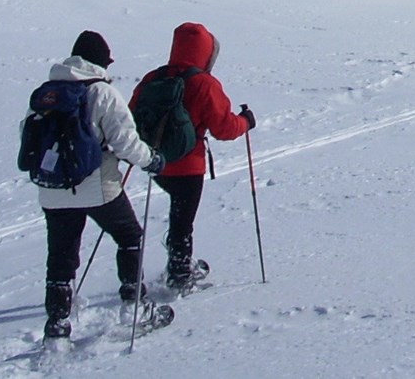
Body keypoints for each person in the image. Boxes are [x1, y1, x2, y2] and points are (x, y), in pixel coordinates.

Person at [31, 31, 165, 339]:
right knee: (130, 235)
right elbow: (126, 142)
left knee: (61, 255)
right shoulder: (103, 93)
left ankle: (57, 325)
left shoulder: (47, 92)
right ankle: (134, 306)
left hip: (52, 188)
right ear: (100, 61)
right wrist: (151, 161)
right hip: (97, 187)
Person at [133, 22, 255, 291]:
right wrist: (245, 121)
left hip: (156, 161)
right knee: (183, 219)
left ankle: (179, 264)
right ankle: (180, 271)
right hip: (188, 165)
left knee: (179, 214)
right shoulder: (203, 83)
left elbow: (132, 116)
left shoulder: (153, 78)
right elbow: (224, 128)